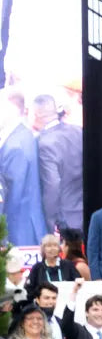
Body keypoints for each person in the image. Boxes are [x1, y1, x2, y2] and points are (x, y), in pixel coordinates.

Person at [32, 93, 83, 233]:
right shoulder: (78, 131)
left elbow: (52, 184)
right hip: (83, 212)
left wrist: (49, 221)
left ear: (37, 114)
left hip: (64, 220)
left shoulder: (45, 143)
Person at [0, 89, 45, 245]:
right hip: (24, 225)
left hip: (18, 229)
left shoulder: (15, 145)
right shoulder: (21, 136)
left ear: (10, 109)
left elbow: (13, 195)